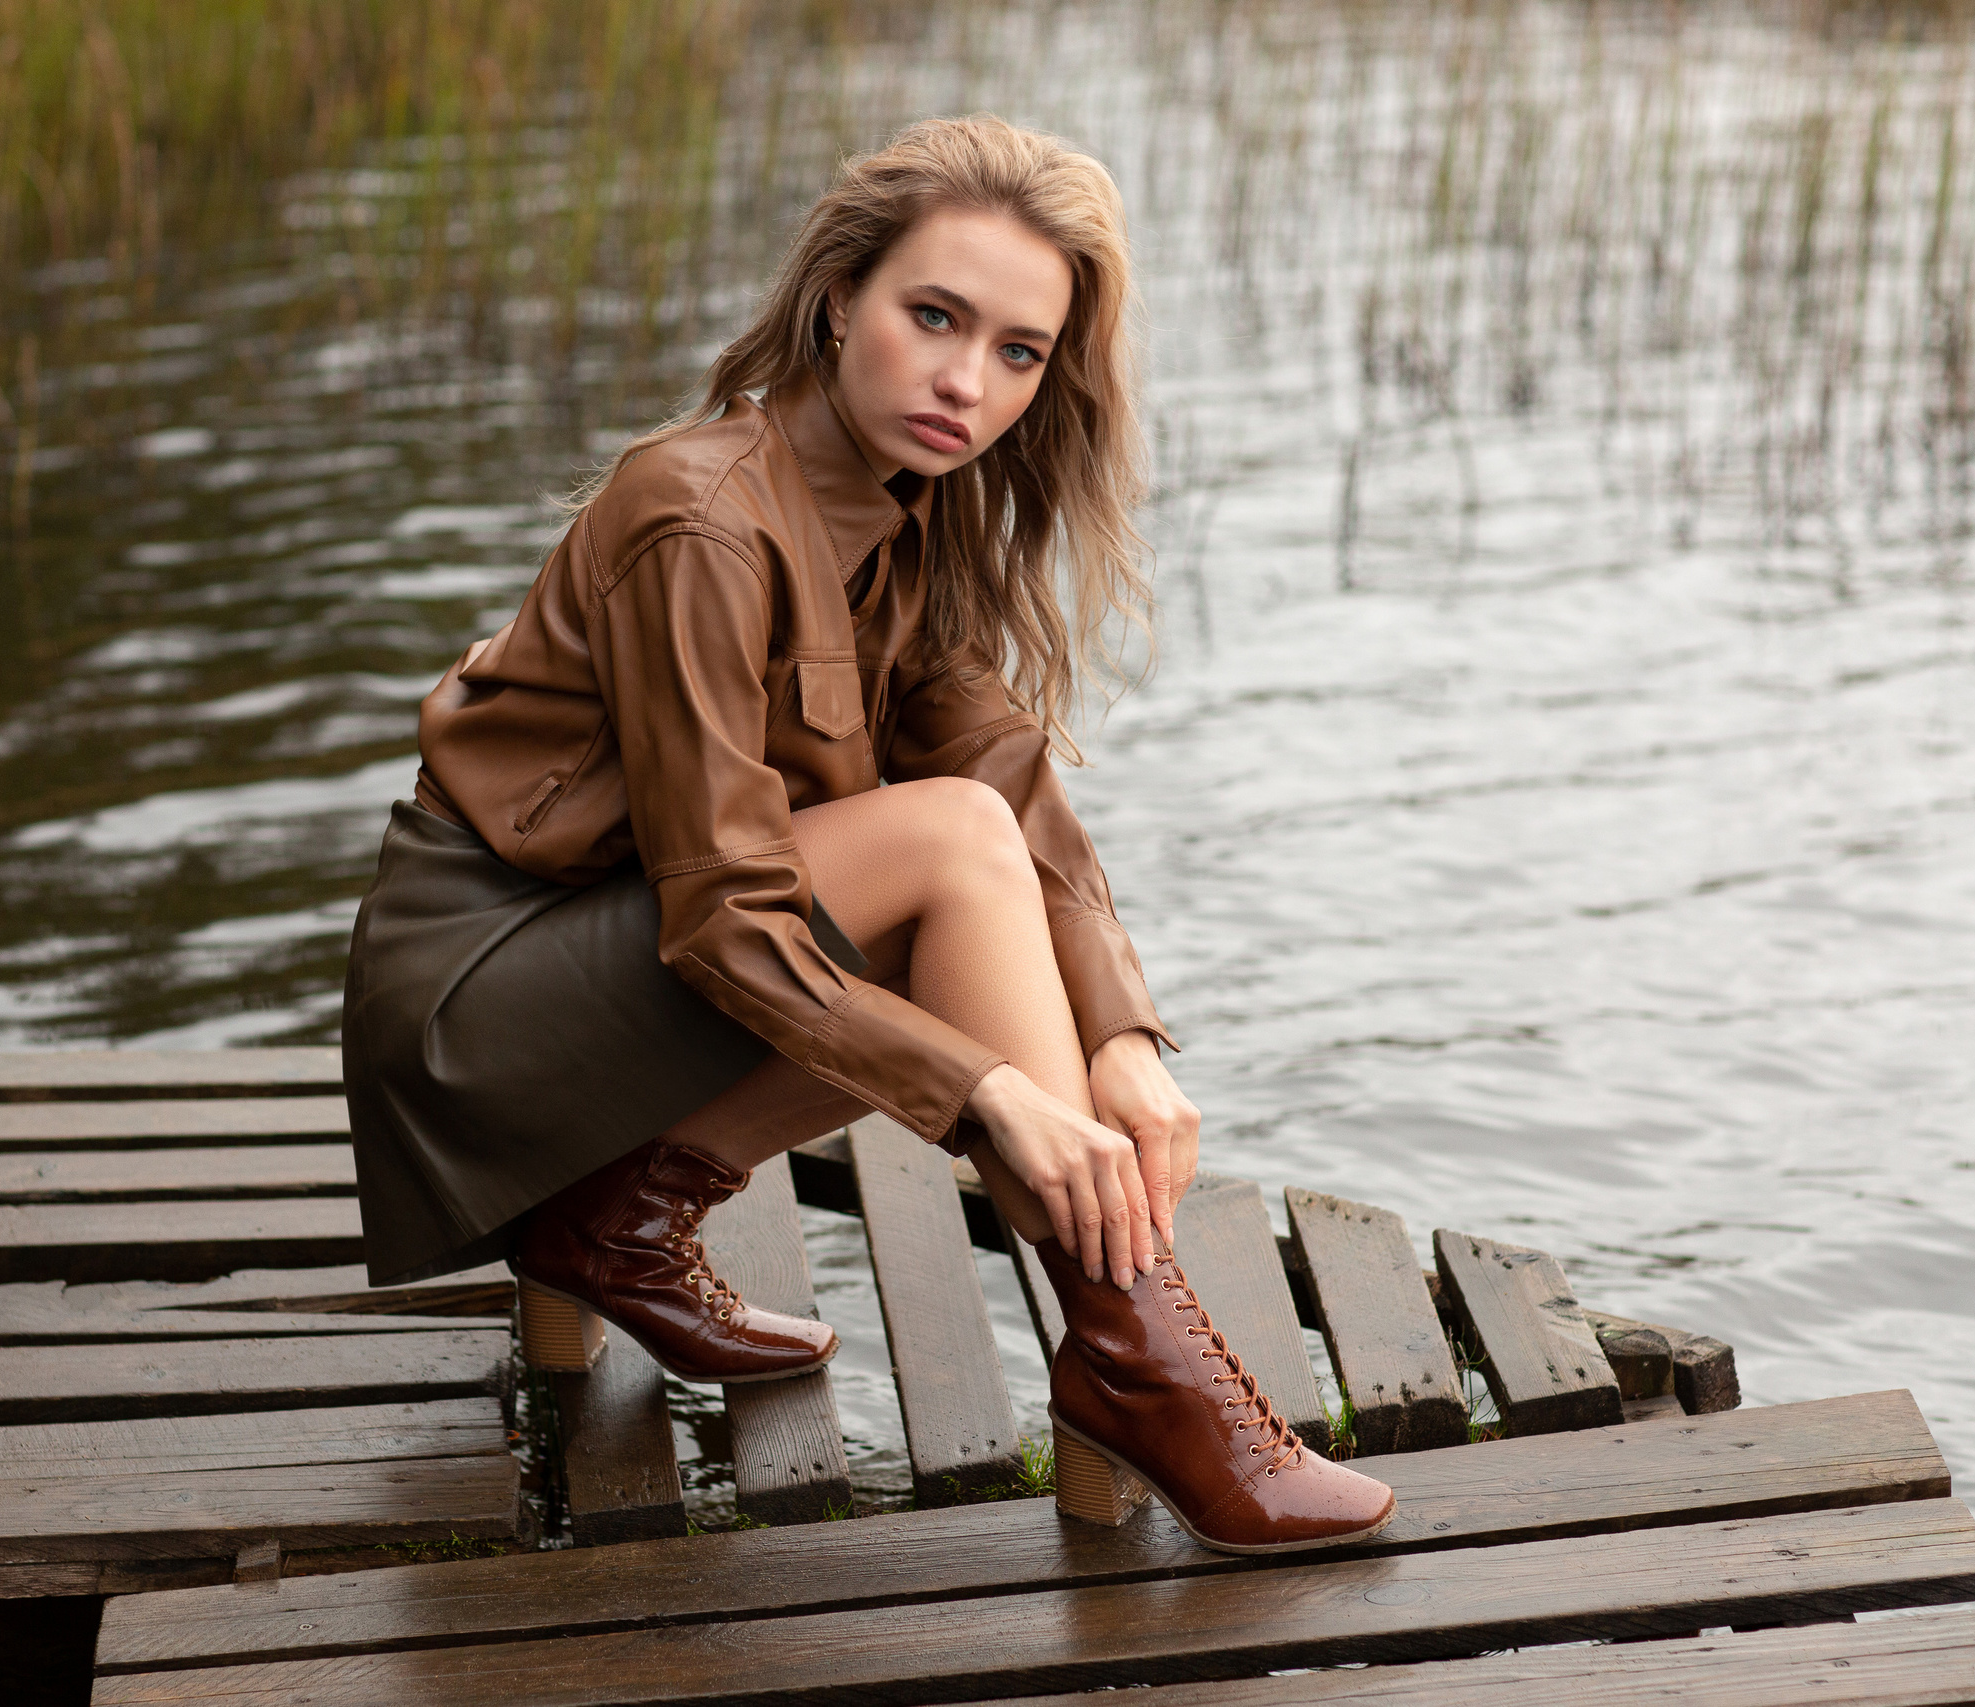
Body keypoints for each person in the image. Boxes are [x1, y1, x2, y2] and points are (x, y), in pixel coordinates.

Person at [343, 115, 1394, 1553]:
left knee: (980, 863)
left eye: (1019, 352)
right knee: (947, 861)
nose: (967, 382)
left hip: (617, 955)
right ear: (840, 301)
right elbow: (727, 911)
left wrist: (1124, 1048)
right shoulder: (700, 518)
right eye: (934, 317)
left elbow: (1022, 806)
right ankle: (1140, 1370)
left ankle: (632, 1222)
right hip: (482, 1002)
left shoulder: (920, 524)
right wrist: (987, 1098)